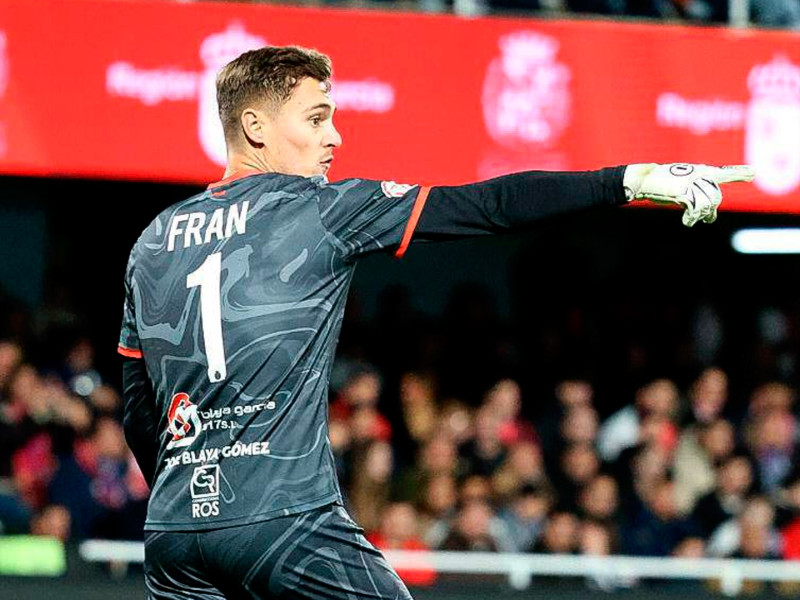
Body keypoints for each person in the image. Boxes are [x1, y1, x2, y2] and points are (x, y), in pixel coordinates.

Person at [118, 45, 754, 599]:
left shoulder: (151, 241)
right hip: (285, 520)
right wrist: (629, 179)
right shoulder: (321, 210)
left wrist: (194, 502)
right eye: (317, 118)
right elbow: (488, 205)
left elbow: (137, 409)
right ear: (254, 127)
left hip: (176, 538)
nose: (335, 136)